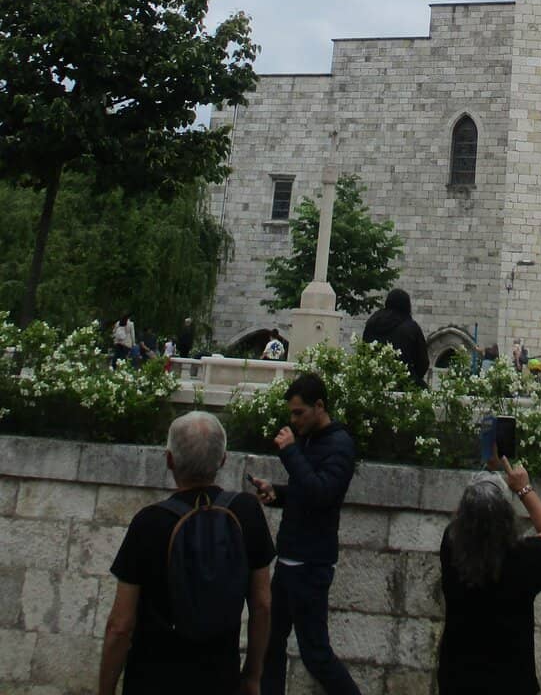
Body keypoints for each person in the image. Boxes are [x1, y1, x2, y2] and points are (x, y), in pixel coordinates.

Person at [97, 411, 274, 695]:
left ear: (169, 460)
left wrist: (104, 691)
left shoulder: (149, 522)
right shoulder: (246, 511)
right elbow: (262, 604)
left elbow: (120, 625)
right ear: (223, 459)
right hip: (219, 677)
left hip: (153, 678)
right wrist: (253, 675)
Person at [250, 372, 361, 695]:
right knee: (270, 642)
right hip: (289, 561)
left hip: (311, 565)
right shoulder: (310, 440)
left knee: (315, 653)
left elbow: (323, 494)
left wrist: (290, 453)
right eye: (291, 413)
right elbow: (305, 488)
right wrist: (277, 493)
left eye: (299, 413)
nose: (293, 420)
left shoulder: (340, 445)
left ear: (320, 406)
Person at [437, 457, 541, 694]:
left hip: (457, 680)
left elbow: (458, 521)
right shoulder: (525, 557)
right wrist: (523, 488)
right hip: (512, 682)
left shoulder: (451, 548)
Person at [362, 287, 429, 387]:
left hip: (373, 380)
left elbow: (364, 351)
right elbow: (423, 362)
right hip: (403, 382)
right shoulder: (411, 327)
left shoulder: (372, 322)